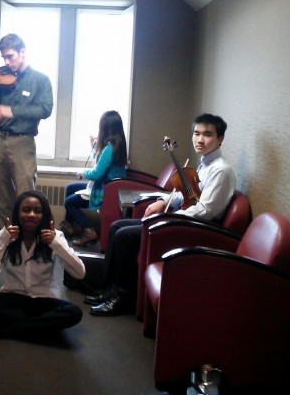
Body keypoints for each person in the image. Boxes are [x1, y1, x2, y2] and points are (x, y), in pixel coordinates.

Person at [87, 113, 236, 316]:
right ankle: (109, 288)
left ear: (220, 139)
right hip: (179, 221)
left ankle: (122, 296)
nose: (200, 139)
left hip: (191, 229)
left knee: (124, 236)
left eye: (208, 134)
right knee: (117, 226)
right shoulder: (204, 164)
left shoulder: (220, 171)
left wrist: (168, 219)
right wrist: (163, 201)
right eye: (196, 133)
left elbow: (205, 211)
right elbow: (186, 194)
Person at [0, 190, 85, 345]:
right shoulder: (6, 234)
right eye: (26, 210)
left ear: (44, 214)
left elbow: (80, 273)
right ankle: (38, 327)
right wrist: (3, 241)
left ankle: (2, 330)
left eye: (38, 211)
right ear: (18, 213)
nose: (32, 215)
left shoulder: (55, 236)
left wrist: (56, 244)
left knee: (73, 312)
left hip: (44, 299)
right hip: (13, 298)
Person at [0, 34, 53, 230]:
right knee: (3, 198)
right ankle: (5, 244)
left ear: (23, 52)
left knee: (26, 198)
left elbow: (45, 109)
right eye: (4, 57)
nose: (7, 61)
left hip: (23, 143)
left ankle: (29, 246)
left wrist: (10, 111)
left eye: (10, 56)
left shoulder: (40, 80)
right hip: (2, 141)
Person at [60, 110, 128, 247]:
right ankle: (70, 225)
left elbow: (97, 174)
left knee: (69, 202)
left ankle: (88, 231)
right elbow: (101, 162)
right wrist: (93, 147)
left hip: (105, 191)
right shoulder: (117, 145)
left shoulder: (110, 149)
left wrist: (83, 172)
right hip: (109, 187)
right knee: (70, 188)